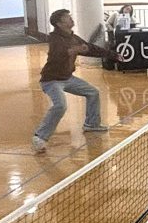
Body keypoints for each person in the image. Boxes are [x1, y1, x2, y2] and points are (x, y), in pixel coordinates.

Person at [32, 9, 121, 153]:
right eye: (67, 17)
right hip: (51, 80)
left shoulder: (73, 37)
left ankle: (91, 124)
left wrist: (113, 55)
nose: (71, 19)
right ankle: (39, 137)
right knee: (60, 106)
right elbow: (58, 53)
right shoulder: (54, 38)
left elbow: (91, 49)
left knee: (93, 92)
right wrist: (73, 50)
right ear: (59, 23)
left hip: (68, 78)